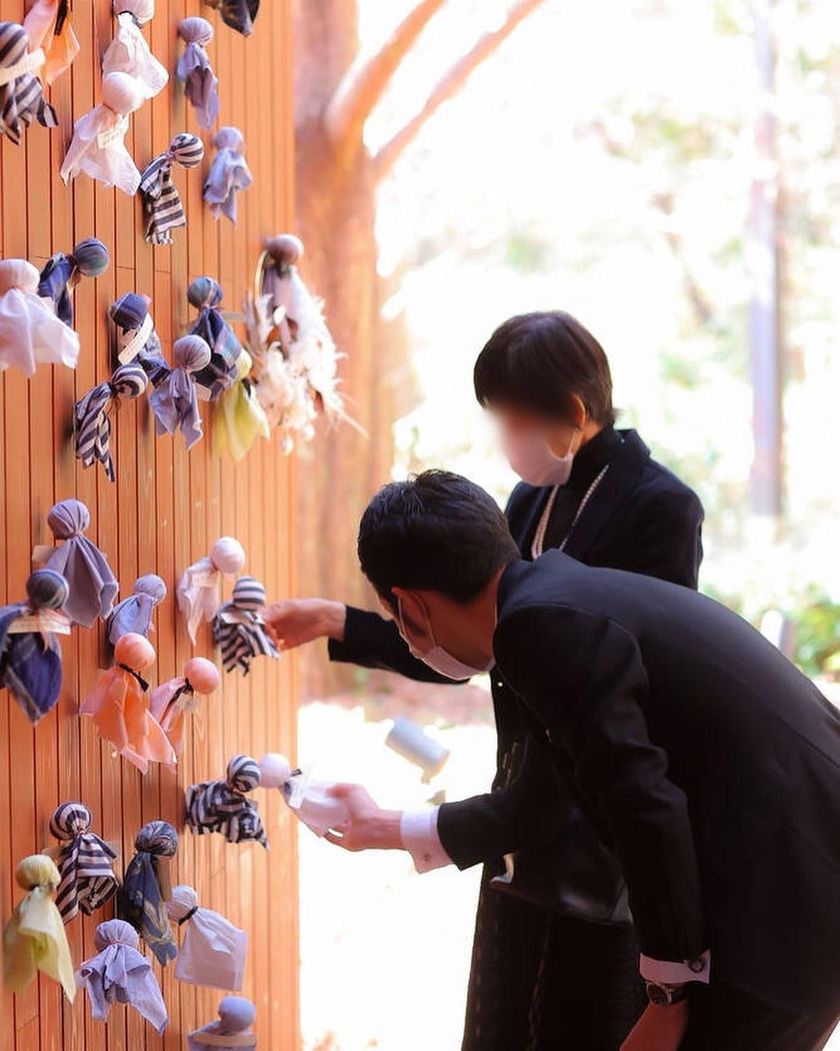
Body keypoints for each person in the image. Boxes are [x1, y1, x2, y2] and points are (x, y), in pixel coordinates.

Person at [264, 312, 704, 1049]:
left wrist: (399, 827)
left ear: (572, 410)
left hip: (595, 813)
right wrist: (340, 621)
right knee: (500, 1021)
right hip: (518, 806)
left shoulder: (660, 506)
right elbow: (468, 638)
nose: (505, 436)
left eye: (512, 418)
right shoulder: (531, 500)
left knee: (573, 1021)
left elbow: (633, 686)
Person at [332, 469, 840, 1051]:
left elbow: (642, 806)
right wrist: (388, 827)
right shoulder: (554, 595)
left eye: (395, 621)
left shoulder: (536, 629)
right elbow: (555, 799)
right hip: (802, 880)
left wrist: (667, 990)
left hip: (788, 906)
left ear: (409, 607)